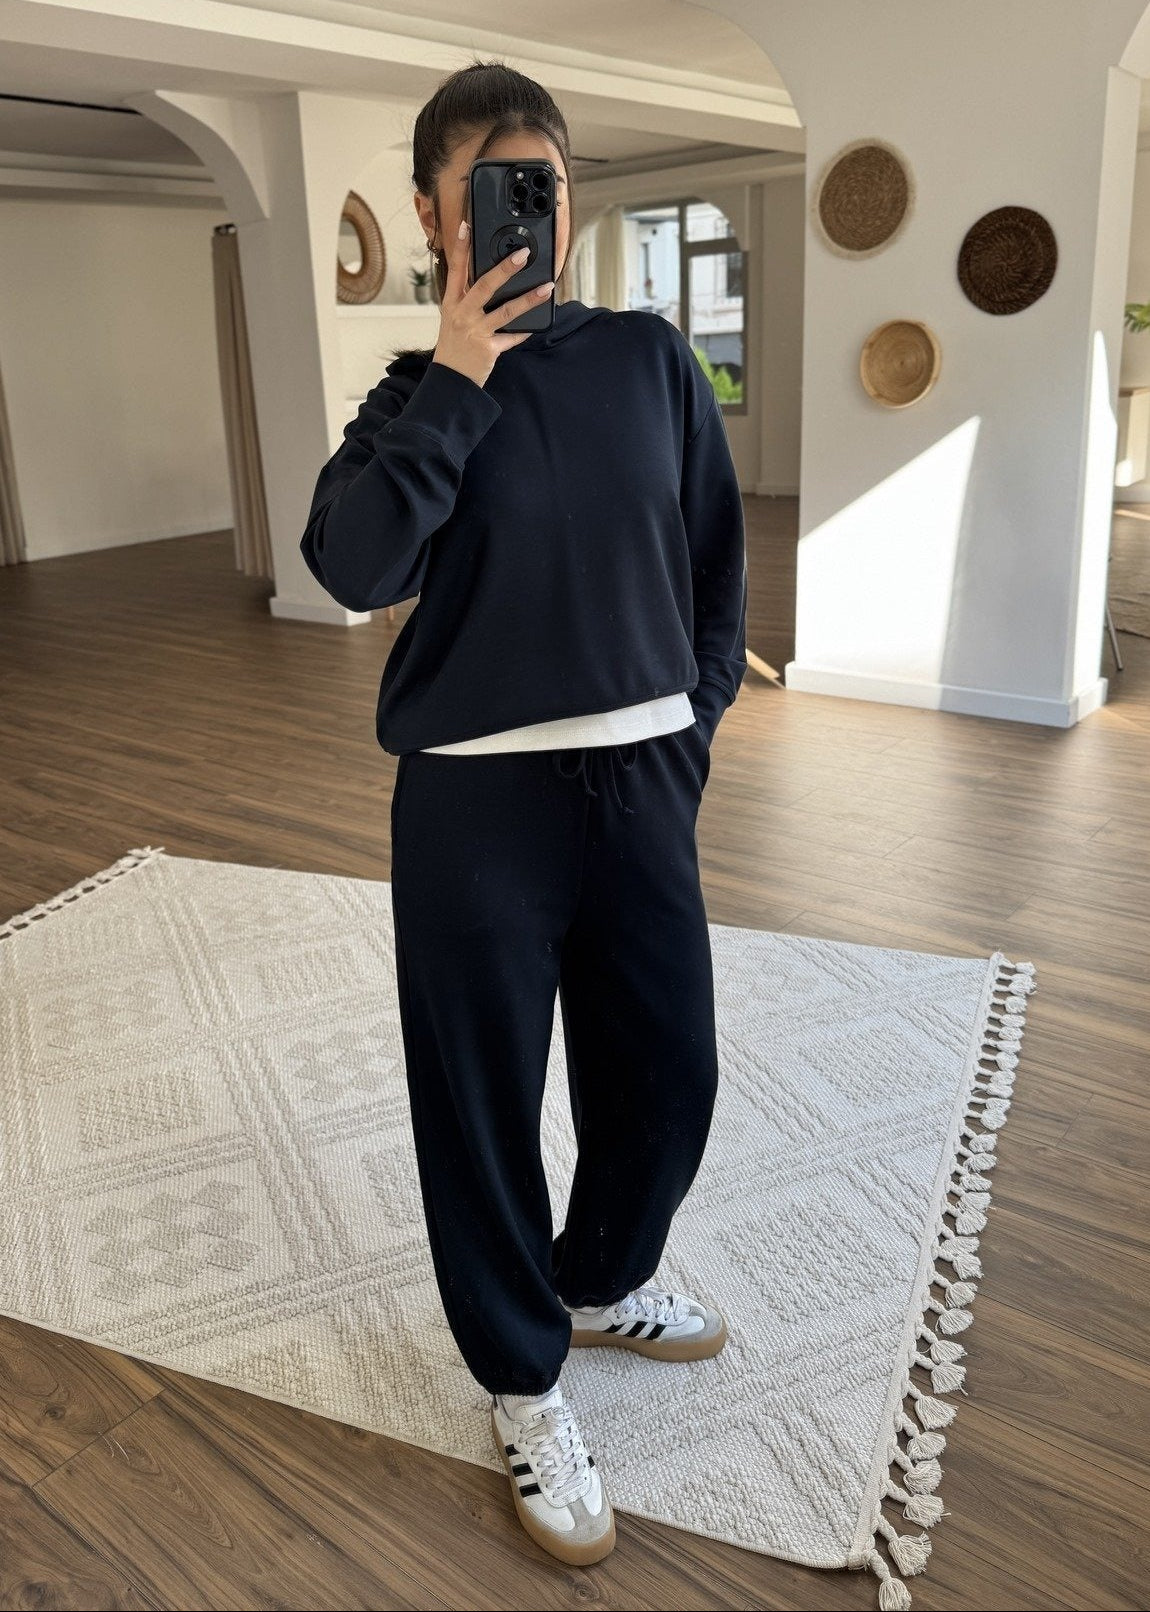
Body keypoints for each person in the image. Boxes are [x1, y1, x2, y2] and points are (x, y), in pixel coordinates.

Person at [300, 59, 747, 1567]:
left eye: (544, 184)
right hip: (471, 800)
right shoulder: (411, 399)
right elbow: (354, 568)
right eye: (493, 186)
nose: (523, 211)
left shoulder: (646, 358)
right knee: (479, 1097)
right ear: (435, 209)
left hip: (637, 781)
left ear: (568, 199)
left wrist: (689, 724)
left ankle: (600, 1276)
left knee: (666, 1064)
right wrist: (456, 375)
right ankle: (519, 1372)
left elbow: (709, 558)